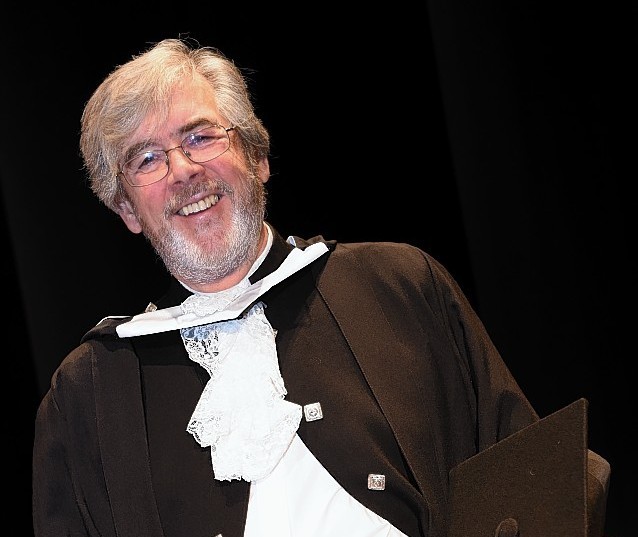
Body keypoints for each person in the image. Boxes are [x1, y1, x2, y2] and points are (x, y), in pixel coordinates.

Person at [32, 38, 609, 537]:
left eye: (202, 137)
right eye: (148, 159)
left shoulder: (398, 286)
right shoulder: (88, 396)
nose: (183, 170)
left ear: (257, 158)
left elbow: (527, 481)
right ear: (127, 209)